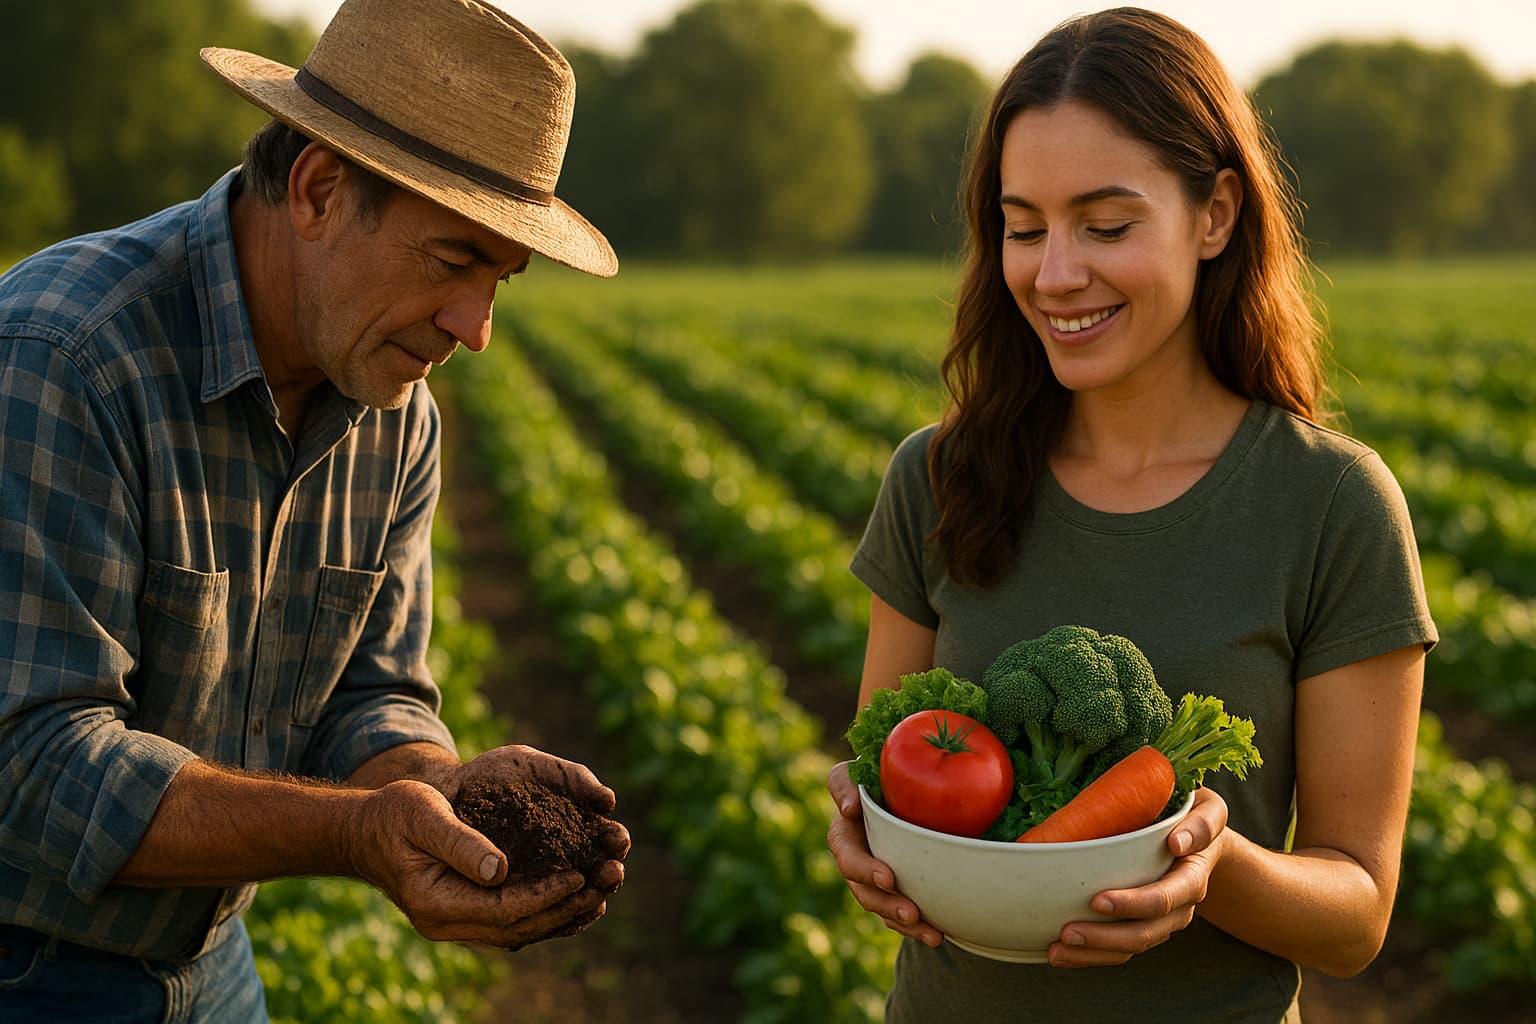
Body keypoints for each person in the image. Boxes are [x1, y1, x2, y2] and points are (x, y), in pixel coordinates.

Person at [0, 0, 628, 1019]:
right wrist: (356, 831)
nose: (477, 329)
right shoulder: (65, 359)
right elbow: (29, 764)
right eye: (455, 259)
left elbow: (370, 689)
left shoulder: (395, 411)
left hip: (207, 960)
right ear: (320, 188)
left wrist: (439, 788)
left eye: (502, 277)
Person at [825, 7, 1436, 1022]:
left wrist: (1201, 863)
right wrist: (855, 828)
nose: (1056, 273)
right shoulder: (936, 476)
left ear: (1216, 215)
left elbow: (1356, 912)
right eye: (1024, 228)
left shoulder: (1332, 505)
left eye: (1106, 226)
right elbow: (877, 764)